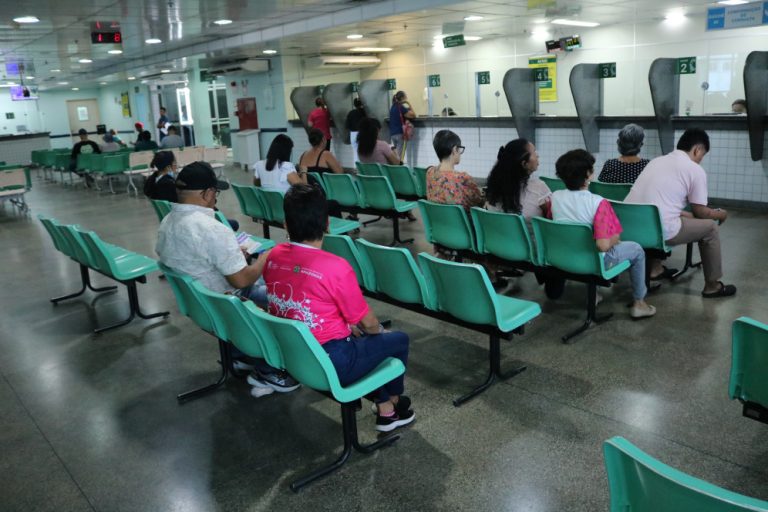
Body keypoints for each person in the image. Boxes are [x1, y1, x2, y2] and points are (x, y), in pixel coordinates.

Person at [262, 184, 415, 432]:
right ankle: (395, 403)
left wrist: (346, 327)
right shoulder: (335, 266)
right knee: (397, 341)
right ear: (327, 223)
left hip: (292, 353)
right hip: (332, 362)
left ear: (286, 225)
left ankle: (385, 406)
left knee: (360, 340)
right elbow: (368, 323)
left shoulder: (274, 255)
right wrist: (377, 333)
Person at [155, 161, 297, 395]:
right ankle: (269, 370)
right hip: (226, 303)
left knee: (262, 288)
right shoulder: (212, 229)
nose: (215, 198)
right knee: (288, 297)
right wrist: (265, 258)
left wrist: (231, 256)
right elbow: (241, 281)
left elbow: (196, 260)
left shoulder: (167, 222)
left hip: (199, 304)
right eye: (215, 192)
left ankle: (240, 355)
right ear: (206, 193)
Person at [625, 128, 735, 298]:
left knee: (668, 217)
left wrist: (684, 214)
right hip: (658, 232)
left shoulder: (656, 161)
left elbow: (658, 203)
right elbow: (701, 212)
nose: (700, 160)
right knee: (710, 228)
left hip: (629, 227)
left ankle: (654, 268)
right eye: (702, 155)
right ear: (697, 149)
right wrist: (721, 215)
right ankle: (712, 286)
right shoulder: (694, 169)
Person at [551, 149, 656, 319]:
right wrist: (615, 239)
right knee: (636, 249)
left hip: (565, 256)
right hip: (593, 262)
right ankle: (639, 303)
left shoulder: (555, 197)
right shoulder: (598, 203)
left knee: (585, 242)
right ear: (588, 175)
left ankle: (595, 294)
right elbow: (603, 245)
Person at [485, 139, 564, 298]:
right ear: (524, 163)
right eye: (534, 153)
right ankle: (551, 278)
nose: (538, 156)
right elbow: (553, 218)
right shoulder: (538, 188)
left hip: (499, 245)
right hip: (530, 250)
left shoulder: (493, 187)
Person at [426, 130, 483, 209]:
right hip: (464, 217)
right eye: (459, 148)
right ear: (454, 149)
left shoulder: (430, 172)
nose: (460, 152)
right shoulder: (463, 179)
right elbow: (479, 202)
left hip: (436, 216)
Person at [389, 90, 415, 162]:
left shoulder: (393, 106)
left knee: (397, 154)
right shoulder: (401, 107)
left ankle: (397, 166)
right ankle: (398, 168)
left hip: (393, 134)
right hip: (400, 134)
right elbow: (413, 115)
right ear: (403, 98)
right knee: (399, 157)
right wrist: (408, 103)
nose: (406, 98)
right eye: (405, 96)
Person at [345, 98, 366, 163]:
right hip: (362, 133)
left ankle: (357, 167)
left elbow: (347, 125)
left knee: (355, 152)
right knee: (363, 152)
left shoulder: (351, 113)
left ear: (354, 104)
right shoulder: (364, 112)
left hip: (353, 134)